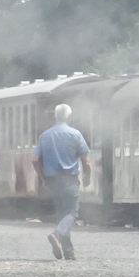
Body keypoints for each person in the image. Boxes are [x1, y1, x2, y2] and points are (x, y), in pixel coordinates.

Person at [32, 103, 89, 261]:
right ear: (69, 117)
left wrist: (43, 177)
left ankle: (69, 252)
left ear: (55, 116)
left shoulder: (45, 136)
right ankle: (56, 235)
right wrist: (88, 176)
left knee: (62, 215)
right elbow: (86, 161)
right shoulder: (75, 134)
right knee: (72, 213)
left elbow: (35, 159)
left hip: (53, 180)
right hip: (69, 179)